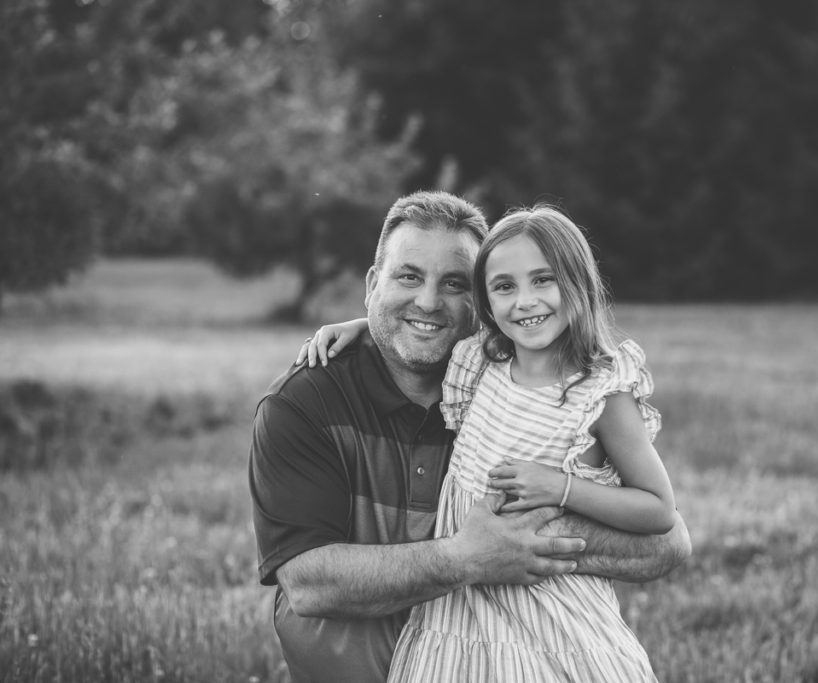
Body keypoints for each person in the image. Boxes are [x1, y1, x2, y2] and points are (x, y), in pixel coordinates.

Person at [251, 191, 690, 683]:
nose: (428, 301)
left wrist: (524, 536)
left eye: (454, 283)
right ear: (373, 284)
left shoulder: (491, 377)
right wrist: (466, 558)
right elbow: (307, 585)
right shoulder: (302, 403)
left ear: (477, 305)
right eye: (408, 276)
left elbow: (666, 543)